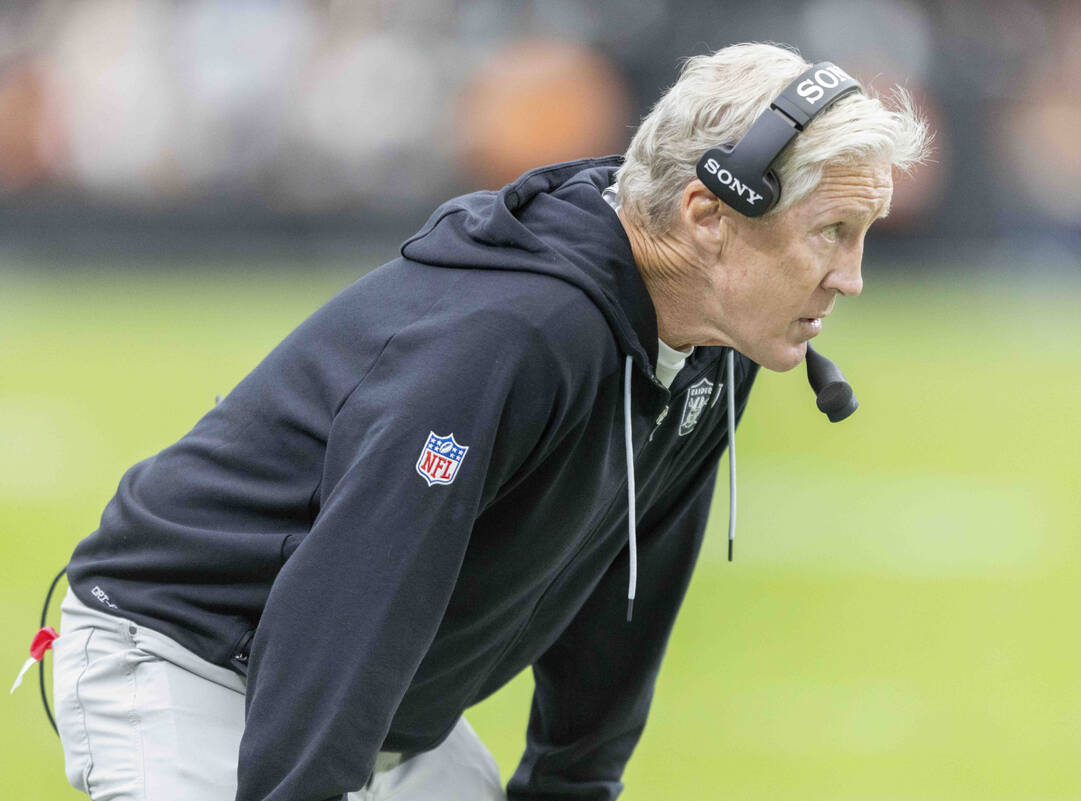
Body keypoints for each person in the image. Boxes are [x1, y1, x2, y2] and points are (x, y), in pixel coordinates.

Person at [51, 42, 929, 801]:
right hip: (192, 662)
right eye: (832, 231)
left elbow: (629, 594)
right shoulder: (516, 336)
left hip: (371, 706)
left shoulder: (717, 342)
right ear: (707, 217)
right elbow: (355, 590)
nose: (850, 277)